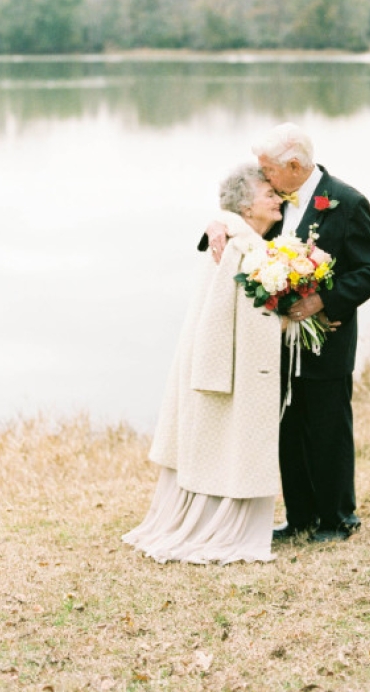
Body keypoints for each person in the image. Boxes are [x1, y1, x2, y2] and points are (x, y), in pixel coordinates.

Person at [207, 122, 370, 543]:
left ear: (293, 165)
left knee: (328, 430)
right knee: (288, 431)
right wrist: (216, 222)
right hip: (277, 343)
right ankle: (300, 517)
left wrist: (322, 301)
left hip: (327, 338)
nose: (264, 176)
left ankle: (337, 519)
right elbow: (240, 215)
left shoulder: (346, 202)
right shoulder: (274, 201)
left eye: (269, 169)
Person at [122, 163, 284, 564]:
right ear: (246, 208)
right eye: (269, 195)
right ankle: (222, 524)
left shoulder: (243, 238)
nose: (278, 199)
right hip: (229, 364)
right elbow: (220, 313)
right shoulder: (236, 246)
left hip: (237, 360)